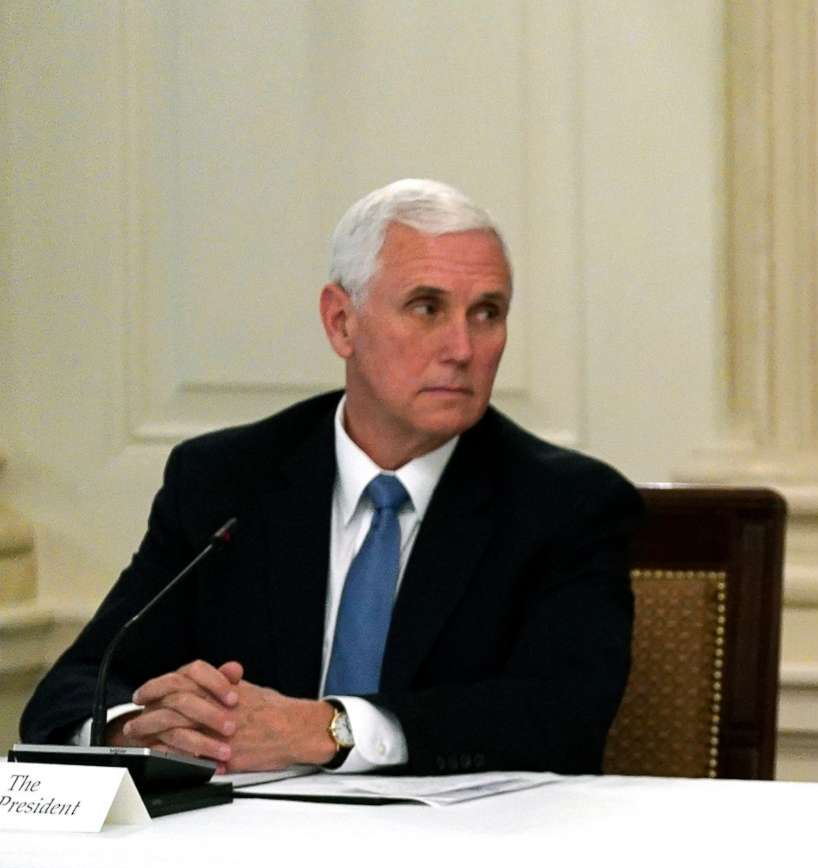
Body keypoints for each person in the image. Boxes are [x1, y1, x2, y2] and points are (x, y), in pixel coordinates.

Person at [19, 178, 638, 775]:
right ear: (341, 322)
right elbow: (73, 690)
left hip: (454, 858)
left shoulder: (565, 503)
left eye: (487, 313)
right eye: (427, 308)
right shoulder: (225, 481)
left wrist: (330, 729)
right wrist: (140, 728)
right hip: (244, 851)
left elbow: (563, 718)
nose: (462, 346)